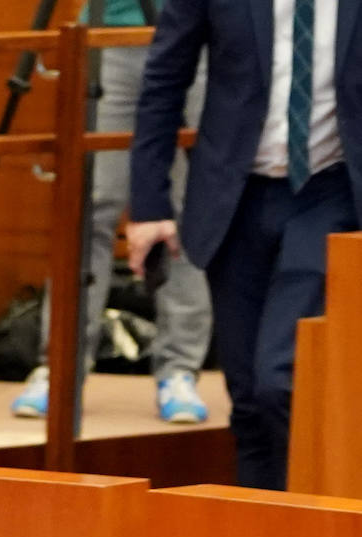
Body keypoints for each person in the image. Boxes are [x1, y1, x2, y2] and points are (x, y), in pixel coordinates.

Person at [128, 0, 361, 489]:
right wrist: (150, 206)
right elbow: (165, 79)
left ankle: (319, 525)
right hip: (234, 198)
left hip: (330, 194)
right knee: (249, 403)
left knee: (281, 380)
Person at [11, 0, 214, 425]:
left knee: (187, 208)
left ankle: (180, 369)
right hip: (109, 34)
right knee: (90, 205)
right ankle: (60, 368)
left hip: (200, 31)